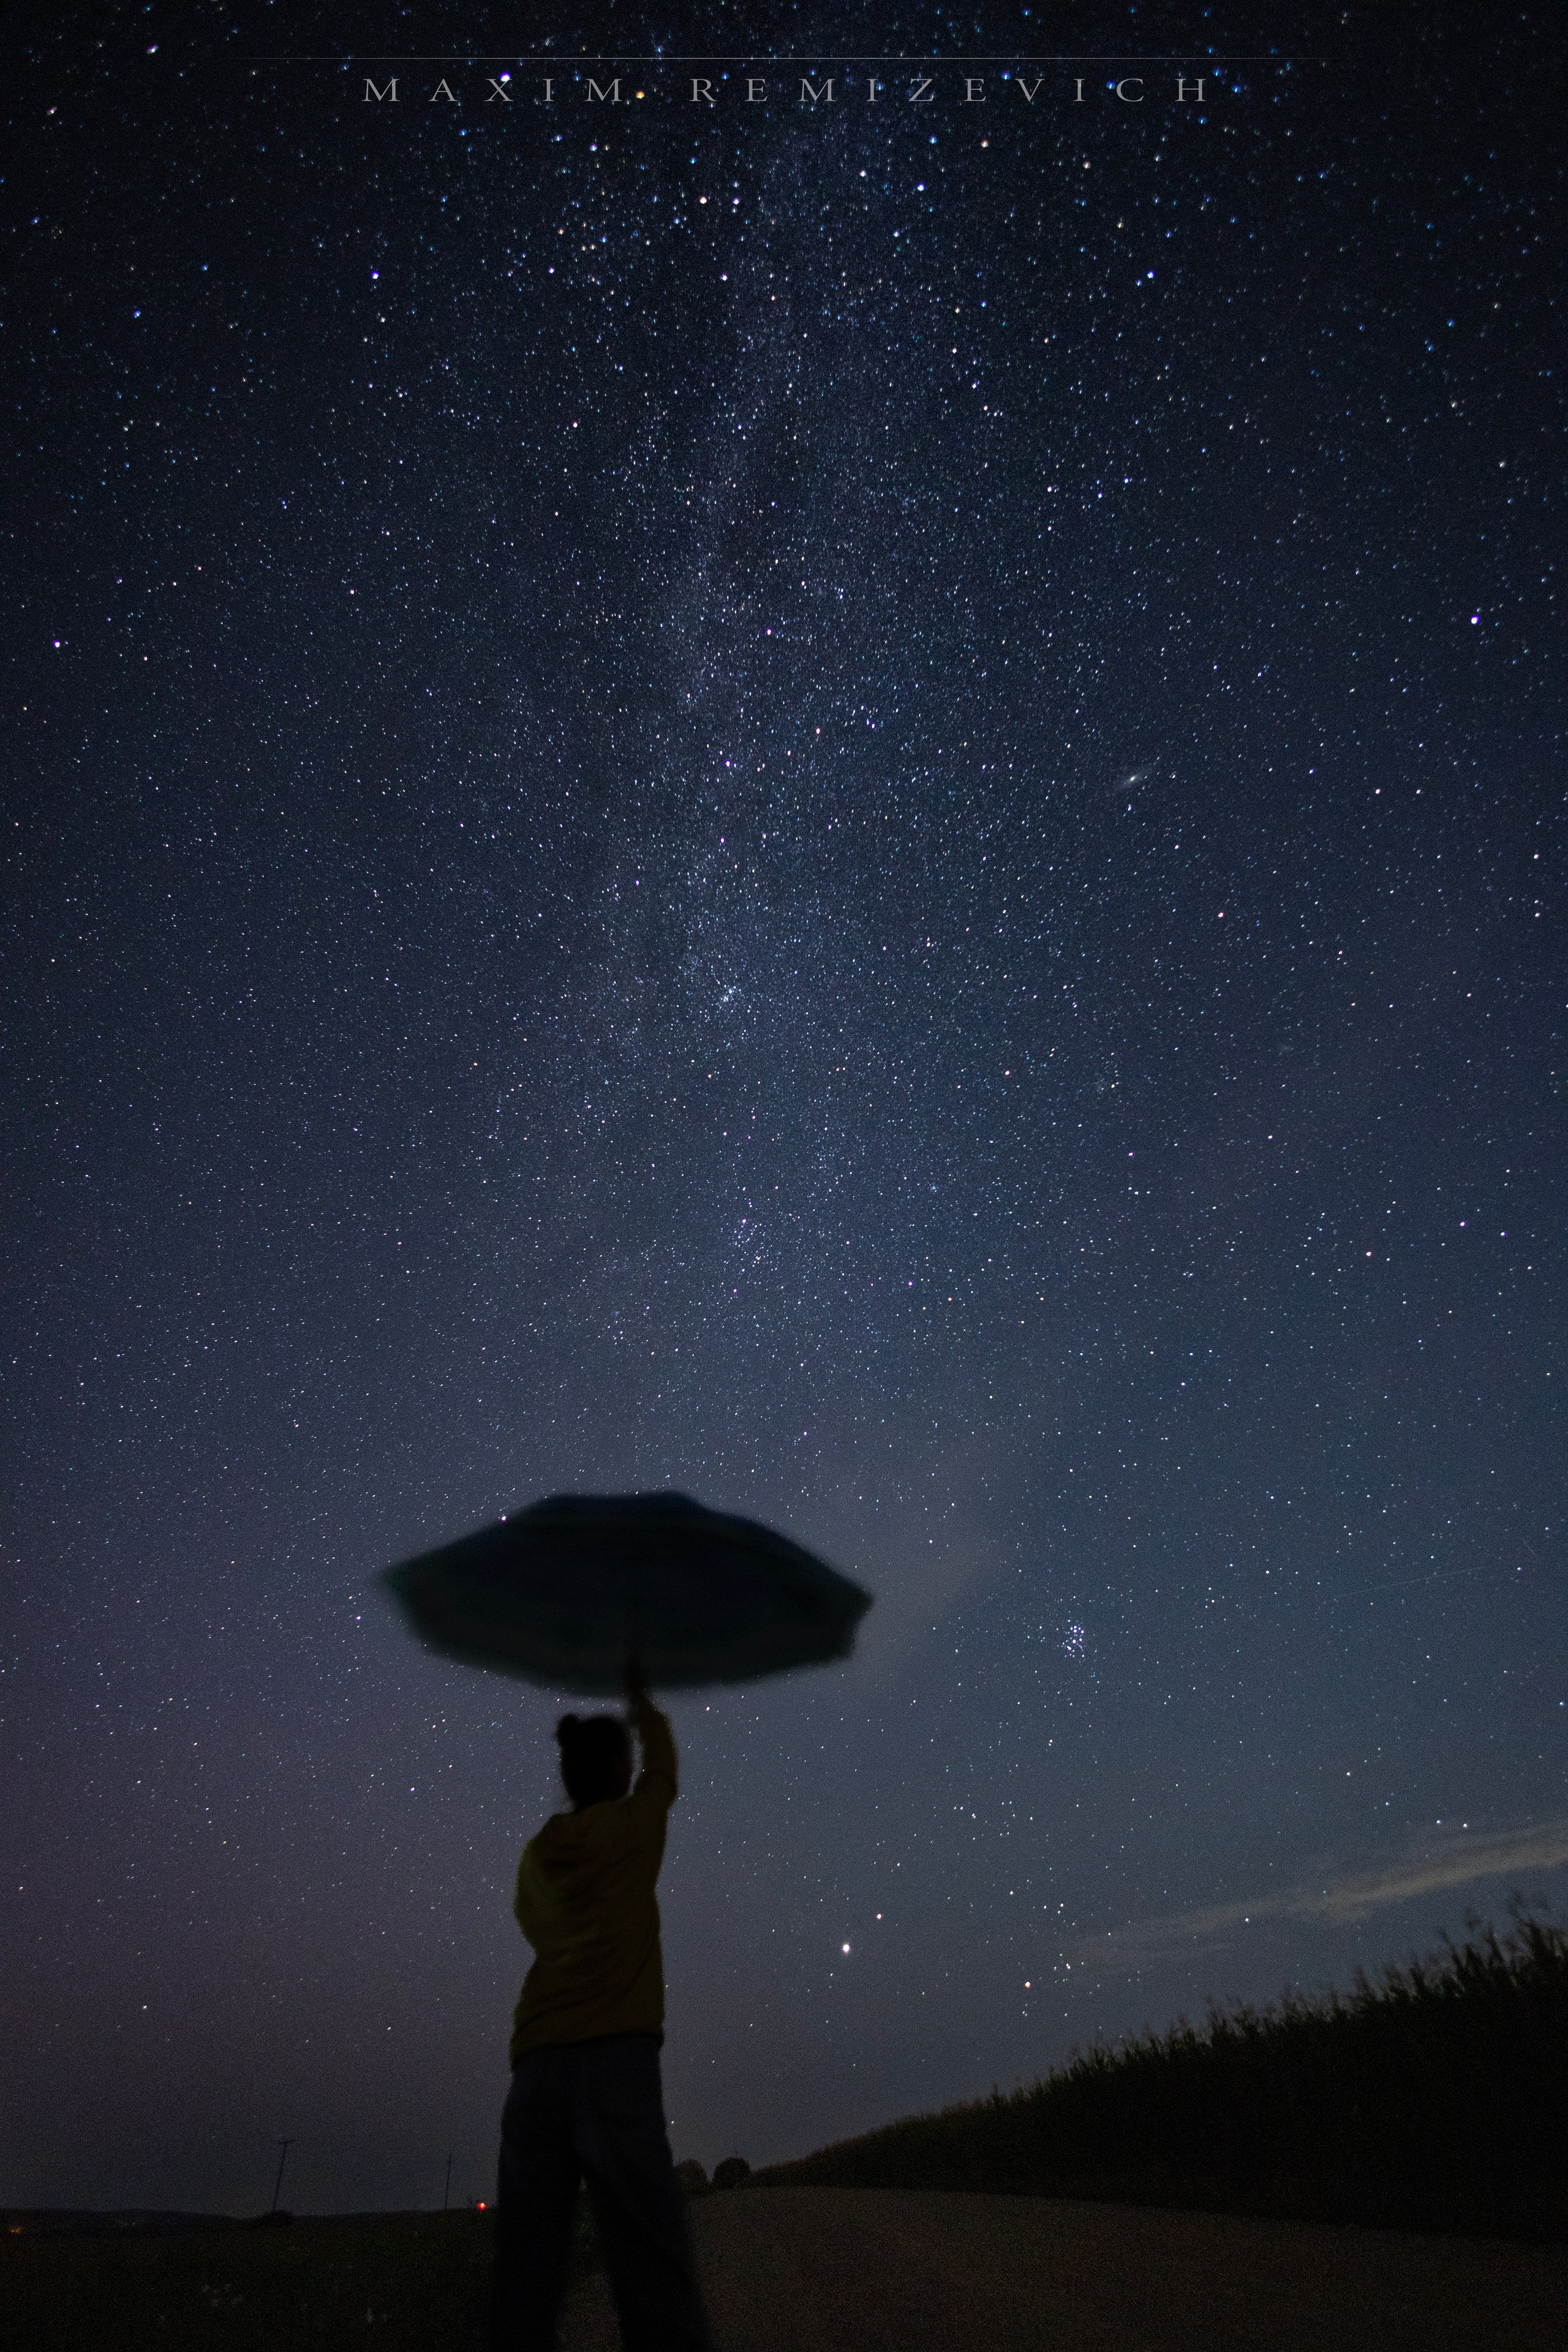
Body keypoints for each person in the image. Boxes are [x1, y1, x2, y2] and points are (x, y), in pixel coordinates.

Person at [489, 1667, 713, 2352]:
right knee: (650, 2269)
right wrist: (644, 1704)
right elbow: (666, 1773)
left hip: (537, 2071)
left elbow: (532, 1924)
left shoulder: (537, 1856)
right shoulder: (633, 1829)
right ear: (618, 1771)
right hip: (618, 2061)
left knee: (524, 2278)